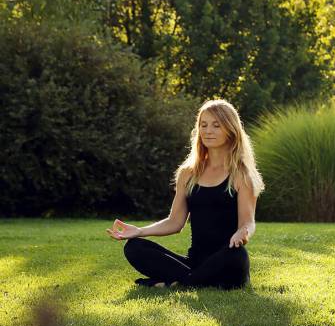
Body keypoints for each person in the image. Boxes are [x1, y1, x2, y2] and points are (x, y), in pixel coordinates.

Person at [107, 99, 264, 289]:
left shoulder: (241, 174)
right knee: (134, 247)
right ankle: (191, 281)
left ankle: (177, 282)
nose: (208, 131)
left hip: (226, 259)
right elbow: (175, 222)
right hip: (194, 261)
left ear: (230, 130)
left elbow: (248, 222)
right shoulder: (188, 173)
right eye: (203, 125)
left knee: (236, 255)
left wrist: (243, 232)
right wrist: (140, 231)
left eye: (216, 125)